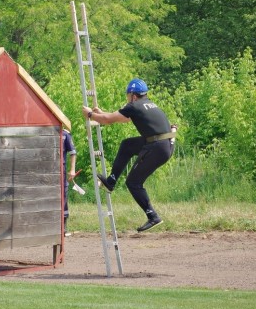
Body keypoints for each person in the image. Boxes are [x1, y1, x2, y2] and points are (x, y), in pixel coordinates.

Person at [82, 78, 176, 232]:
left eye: (127, 95)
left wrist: (91, 114)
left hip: (157, 147)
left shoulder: (133, 106)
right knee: (127, 145)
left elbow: (108, 120)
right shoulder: (149, 104)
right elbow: (122, 118)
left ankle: (153, 216)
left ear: (132, 95)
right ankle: (111, 181)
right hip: (164, 144)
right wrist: (101, 114)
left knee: (133, 182)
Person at [62, 128, 77, 236]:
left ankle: (63, 226)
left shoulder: (65, 135)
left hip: (61, 173)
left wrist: (72, 170)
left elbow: (73, 153)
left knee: (63, 197)